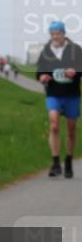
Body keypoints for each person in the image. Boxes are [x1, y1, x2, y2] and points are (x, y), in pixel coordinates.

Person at [36, 20, 81, 178]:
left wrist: (74, 72)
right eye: (52, 34)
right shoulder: (46, 51)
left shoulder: (75, 50)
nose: (55, 37)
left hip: (71, 94)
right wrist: (42, 76)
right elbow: (39, 70)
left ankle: (68, 161)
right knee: (54, 125)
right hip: (53, 93)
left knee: (71, 129)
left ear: (64, 34)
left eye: (58, 33)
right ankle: (56, 163)